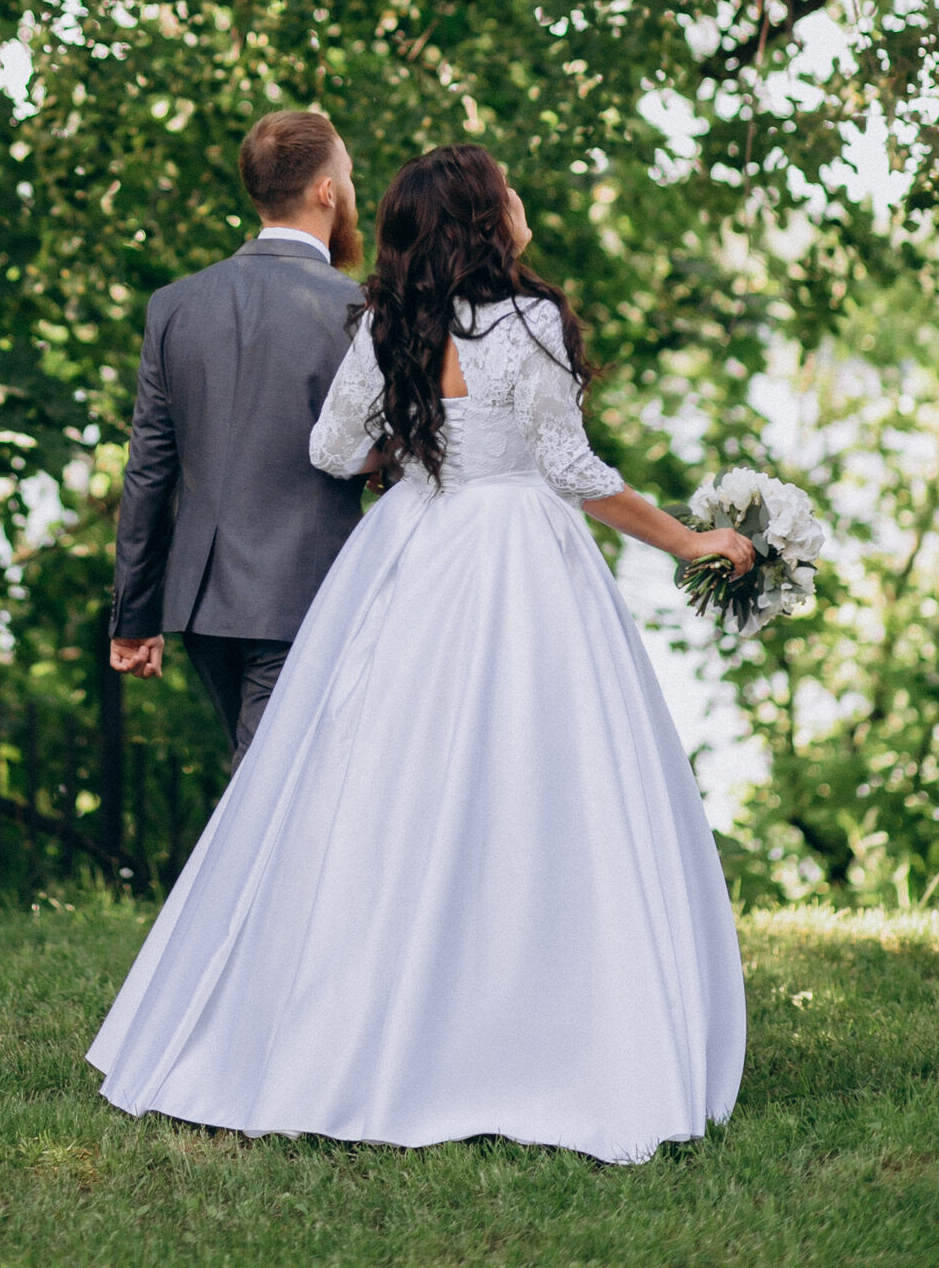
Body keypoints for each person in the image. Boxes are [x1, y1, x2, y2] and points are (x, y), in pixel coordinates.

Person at [90, 143, 751, 1165]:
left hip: (412, 548)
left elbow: (329, 450)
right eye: (508, 191)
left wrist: (415, 445)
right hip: (519, 559)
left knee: (383, 793)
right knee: (538, 790)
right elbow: (572, 469)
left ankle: (348, 1027)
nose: (523, 200)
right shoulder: (529, 321)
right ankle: (534, 1031)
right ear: (488, 219)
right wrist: (689, 539)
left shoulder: (390, 319)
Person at [109, 108, 366, 767]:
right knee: (275, 798)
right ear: (327, 191)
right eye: (350, 175)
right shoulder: (360, 310)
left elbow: (148, 469)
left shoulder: (176, 304)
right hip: (308, 592)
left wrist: (135, 617)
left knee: (268, 786)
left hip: (202, 606)